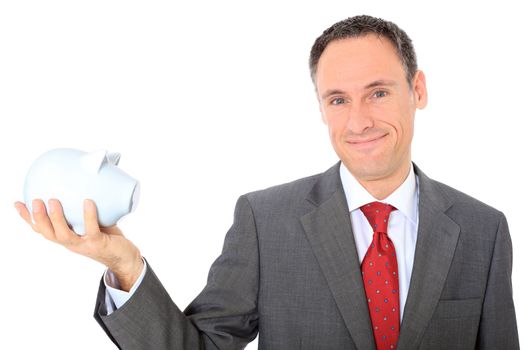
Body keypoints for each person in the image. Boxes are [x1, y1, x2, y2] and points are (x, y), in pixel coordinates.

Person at [14, 15, 519, 350]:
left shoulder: (483, 229)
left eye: (379, 92)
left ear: (418, 89)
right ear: (321, 107)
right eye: (339, 99)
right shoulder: (265, 221)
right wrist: (123, 265)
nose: (359, 120)